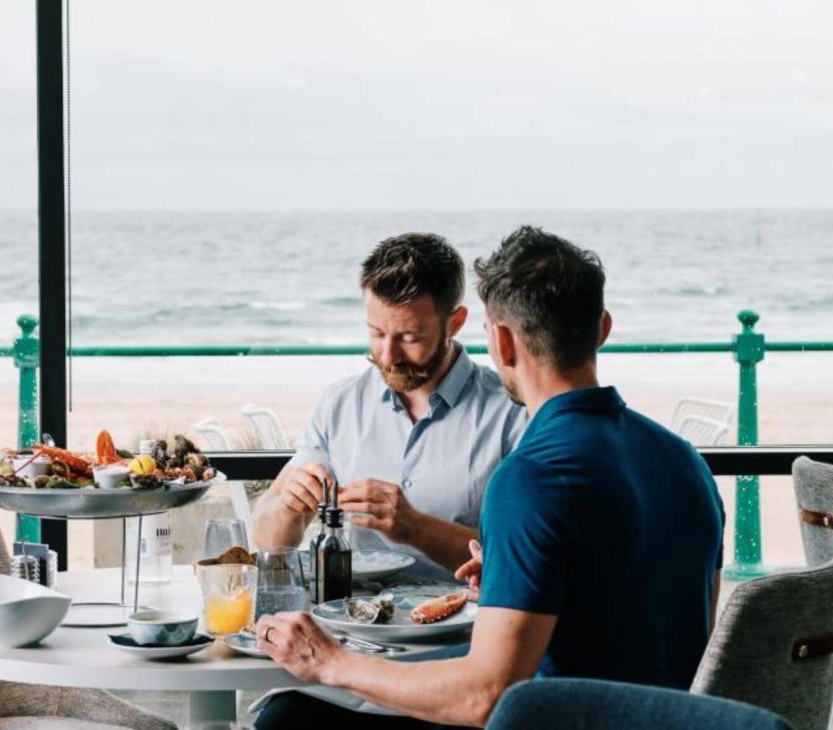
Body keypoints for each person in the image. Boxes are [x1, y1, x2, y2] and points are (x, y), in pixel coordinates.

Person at [253, 226, 725, 728]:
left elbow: (485, 697)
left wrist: (329, 662)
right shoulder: (687, 462)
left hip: (554, 721)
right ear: (602, 328)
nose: (389, 353)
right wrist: (506, 575)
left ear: (499, 340)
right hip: (677, 721)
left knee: (286, 719)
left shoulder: (529, 477)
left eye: (409, 336)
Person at [251, 233, 526, 579]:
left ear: (454, 323)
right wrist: (288, 508)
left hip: (466, 613)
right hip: (354, 610)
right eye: (377, 333)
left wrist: (416, 529)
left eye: (409, 338)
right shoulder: (340, 404)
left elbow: (524, 557)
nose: (388, 357)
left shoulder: (511, 413)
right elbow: (267, 539)